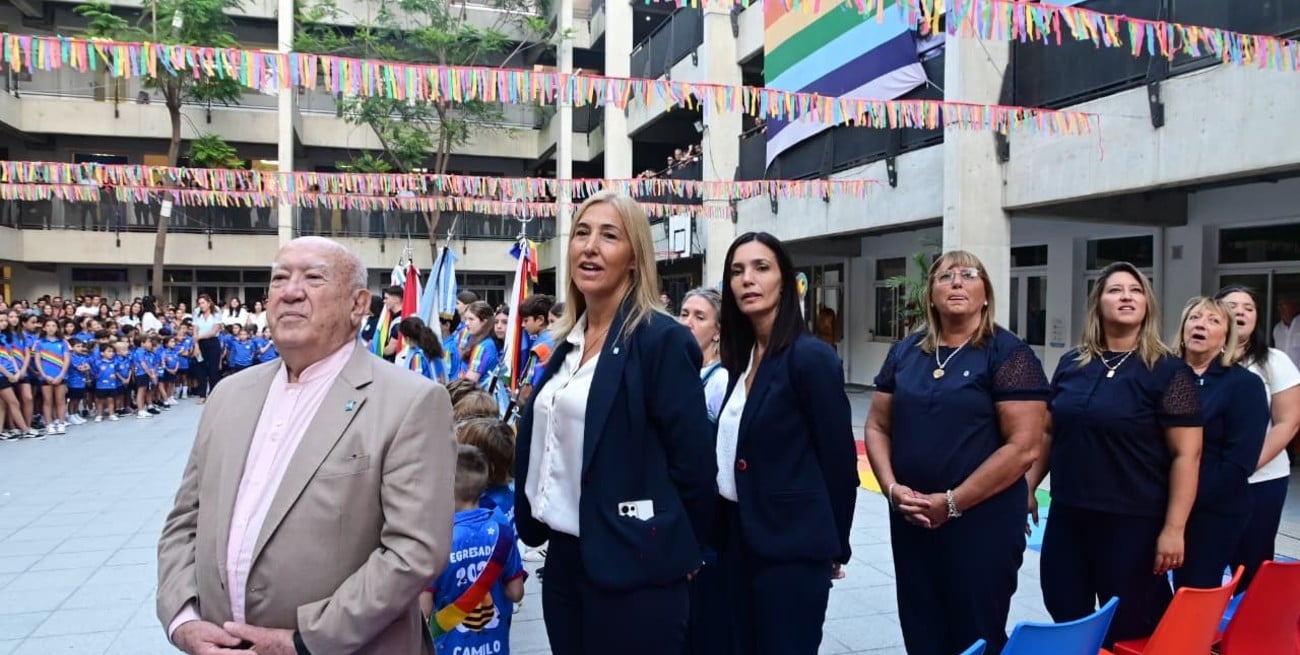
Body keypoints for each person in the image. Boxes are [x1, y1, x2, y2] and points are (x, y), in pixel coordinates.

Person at [156, 236, 457, 655]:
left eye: (313, 278)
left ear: (358, 305)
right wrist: (184, 619)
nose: (291, 291)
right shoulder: (228, 394)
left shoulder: (410, 401)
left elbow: (414, 551)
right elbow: (185, 521)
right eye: (280, 278)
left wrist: (305, 639)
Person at [514, 191, 716, 655]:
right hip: (564, 558)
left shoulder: (660, 340)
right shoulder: (566, 342)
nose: (590, 246)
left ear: (633, 258)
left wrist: (681, 549)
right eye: (582, 233)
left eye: (609, 236)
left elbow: (695, 465)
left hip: (635, 564)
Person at [864, 251, 1047, 655]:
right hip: (913, 519)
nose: (957, 282)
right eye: (946, 276)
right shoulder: (906, 352)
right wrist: (893, 490)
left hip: (983, 523)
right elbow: (877, 425)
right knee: (921, 627)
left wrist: (951, 503)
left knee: (974, 631)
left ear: (985, 295)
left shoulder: (1009, 354)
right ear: (931, 295)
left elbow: (1024, 448)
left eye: (969, 275)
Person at [1028, 262, 1202, 646]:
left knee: (1129, 624)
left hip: (1134, 522)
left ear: (1148, 305)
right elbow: (1048, 431)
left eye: (1135, 290)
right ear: (1097, 304)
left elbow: (1186, 456)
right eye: (1115, 290)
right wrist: (1028, 486)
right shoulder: (1072, 364)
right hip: (1070, 514)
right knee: (1064, 605)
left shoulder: (1170, 372)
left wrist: (1174, 530)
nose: (1126, 296)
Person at [710, 232, 858, 655]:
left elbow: (839, 462)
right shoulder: (741, 359)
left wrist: (835, 545)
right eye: (737, 271)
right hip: (737, 538)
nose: (747, 280)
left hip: (792, 545)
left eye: (761, 268)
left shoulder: (811, 357)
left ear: (785, 280)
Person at [1171, 296, 1268, 590]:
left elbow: (1239, 462)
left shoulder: (1243, 385)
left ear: (1226, 338)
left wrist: (1184, 501)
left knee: (1195, 587)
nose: (1201, 325)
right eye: (1195, 318)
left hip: (1213, 511)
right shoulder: (1162, 376)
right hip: (1153, 504)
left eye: (1214, 321)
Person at [1215, 285, 1300, 590]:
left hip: (1261, 480)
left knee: (1252, 562)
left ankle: (1252, 631)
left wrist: (1243, 467)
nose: (1241, 311)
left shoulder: (1274, 361)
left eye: (1249, 308)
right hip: (1204, 479)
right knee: (1204, 559)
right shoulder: (1196, 360)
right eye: (1232, 305)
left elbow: (1287, 423)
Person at [421, 445, 525, 655]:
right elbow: (516, 592)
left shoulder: (438, 541)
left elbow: (423, 609)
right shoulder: (502, 533)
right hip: (495, 647)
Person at [678, 287, 727, 422]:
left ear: (717, 332)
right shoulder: (673, 372)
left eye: (699, 317)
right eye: (684, 314)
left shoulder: (721, 381)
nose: (688, 323)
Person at [515, 294, 556, 409]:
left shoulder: (541, 346)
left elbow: (528, 389)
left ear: (540, 320)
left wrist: (518, 402)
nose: (523, 325)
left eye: (526, 320)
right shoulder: (554, 339)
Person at [191, 295, 223, 403]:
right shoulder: (197, 313)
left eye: (203, 303)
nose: (201, 305)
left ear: (209, 303)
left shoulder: (216, 313)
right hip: (199, 345)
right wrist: (196, 346)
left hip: (213, 343)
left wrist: (198, 337)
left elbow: (214, 332)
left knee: (213, 370)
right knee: (201, 369)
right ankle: (202, 395)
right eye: (199, 303)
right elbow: (195, 330)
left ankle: (213, 394)